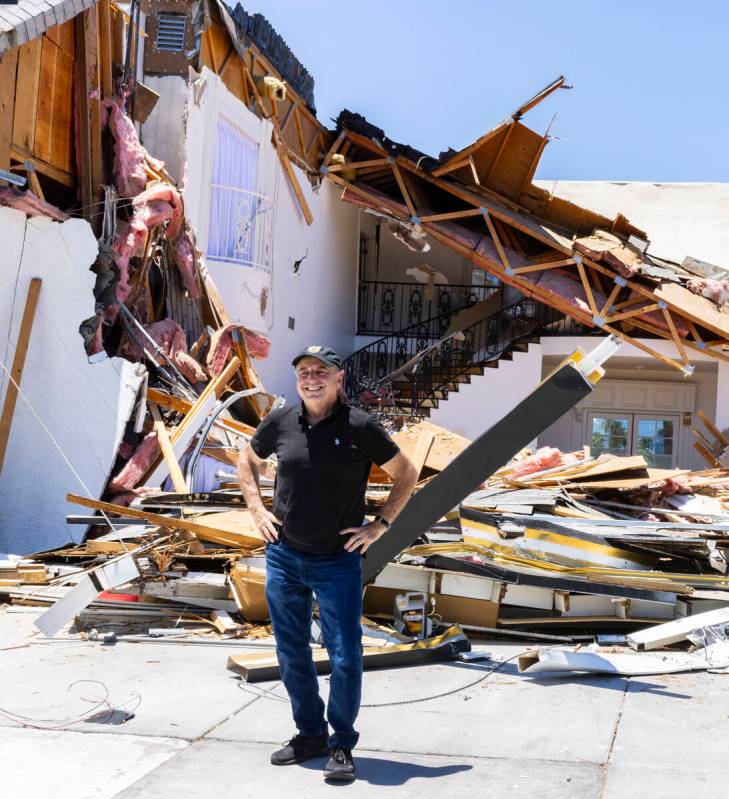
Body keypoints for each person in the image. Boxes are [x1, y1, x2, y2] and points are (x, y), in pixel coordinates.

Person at [237, 345, 418, 782]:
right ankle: (309, 734)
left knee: (344, 656)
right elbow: (247, 459)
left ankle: (340, 743)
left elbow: (406, 473)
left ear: (339, 378)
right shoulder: (281, 421)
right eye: (303, 370)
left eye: (321, 371)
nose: (311, 377)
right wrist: (258, 511)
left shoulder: (360, 426)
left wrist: (381, 524)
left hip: (336, 560)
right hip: (283, 555)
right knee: (290, 651)